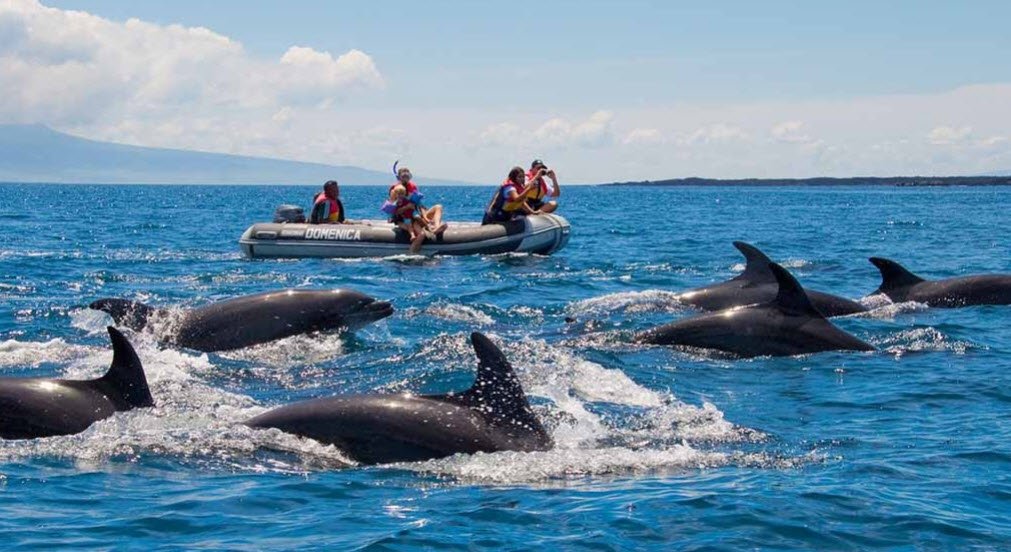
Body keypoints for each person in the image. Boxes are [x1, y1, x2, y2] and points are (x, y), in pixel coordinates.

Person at [388, 167, 447, 234]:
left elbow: (419, 204)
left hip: (418, 215)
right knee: (417, 218)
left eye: (407, 176)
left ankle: (437, 227)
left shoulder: (412, 187)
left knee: (438, 207)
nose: (406, 178)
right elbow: (393, 211)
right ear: (399, 177)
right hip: (408, 219)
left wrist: (425, 217)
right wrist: (406, 207)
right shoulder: (395, 190)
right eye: (403, 176)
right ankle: (430, 227)